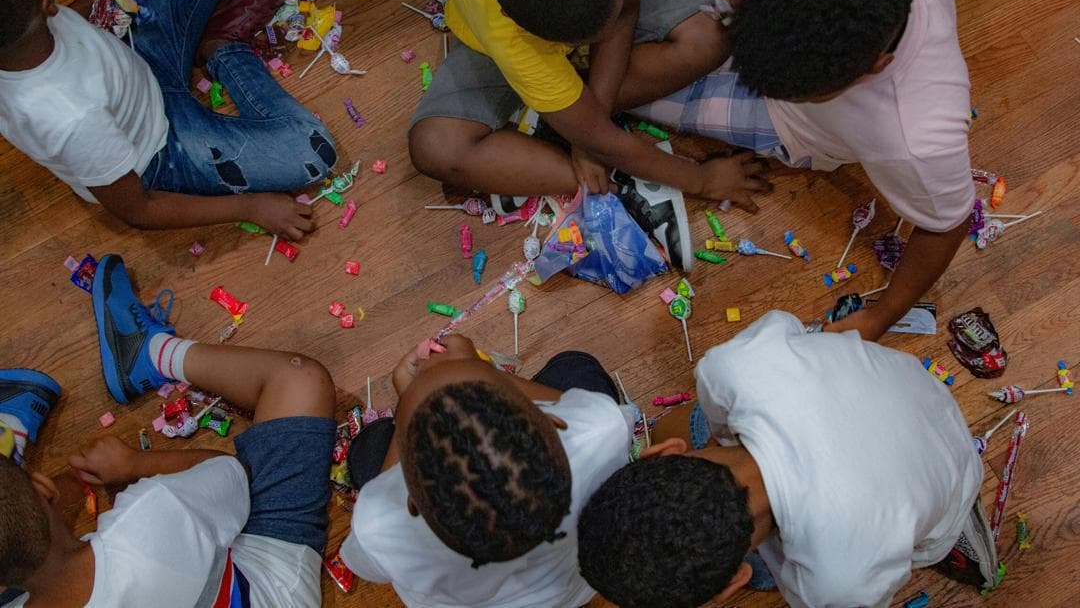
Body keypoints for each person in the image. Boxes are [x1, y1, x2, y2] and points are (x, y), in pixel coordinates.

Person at [636, 0, 975, 340]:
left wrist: (881, 317)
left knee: (633, 88)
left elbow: (947, 225)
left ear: (876, 66)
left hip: (790, 127)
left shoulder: (917, 138)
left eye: (805, 92)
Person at [408, 0, 772, 270]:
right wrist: (700, 180)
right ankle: (618, 180)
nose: (592, 43)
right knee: (435, 147)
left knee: (712, 36)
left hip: (577, 9)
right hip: (500, 43)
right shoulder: (510, 37)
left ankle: (558, 122)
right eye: (578, 42)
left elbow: (625, 13)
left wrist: (586, 137)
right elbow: (605, 139)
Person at [0, 0, 416, 239]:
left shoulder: (19, 33)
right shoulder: (73, 121)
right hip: (164, 151)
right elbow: (139, 209)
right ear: (46, 0)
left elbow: (60, 29)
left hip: (136, 69)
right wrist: (250, 207)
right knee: (311, 153)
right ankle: (223, 50)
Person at [577, 310, 998, 608]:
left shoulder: (836, 588)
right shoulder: (727, 368)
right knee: (696, 421)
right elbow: (793, 329)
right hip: (917, 390)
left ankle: (948, 533)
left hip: (950, 481)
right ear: (662, 452)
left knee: (772, 577)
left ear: (733, 582)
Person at [0, 253, 338, 607]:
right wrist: (133, 464)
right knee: (299, 379)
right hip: (274, 589)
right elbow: (230, 471)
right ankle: (150, 354)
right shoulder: (151, 514)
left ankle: (12, 424)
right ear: (44, 488)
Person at [338, 335, 635, 607]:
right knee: (577, 367)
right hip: (569, 590)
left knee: (367, 448)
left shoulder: (378, 525)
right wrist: (477, 368)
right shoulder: (600, 429)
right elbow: (566, 402)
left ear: (409, 498)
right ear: (553, 419)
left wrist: (408, 395)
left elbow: (365, 562)